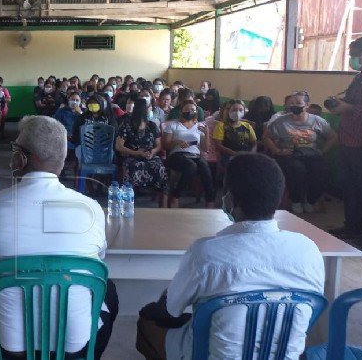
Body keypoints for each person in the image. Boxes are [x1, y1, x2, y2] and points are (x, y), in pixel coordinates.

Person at [136, 153, 325, 360]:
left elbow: (171, 311)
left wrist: (164, 298)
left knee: (147, 321)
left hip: (210, 355)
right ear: (278, 196)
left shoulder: (207, 253)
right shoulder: (309, 250)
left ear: (230, 199)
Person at [0, 115, 118, 360]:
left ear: (21, 157)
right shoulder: (90, 209)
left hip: (9, 347)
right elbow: (97, 259)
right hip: (74, 345)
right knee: (106, 287)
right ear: (62, 158)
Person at [328, 36, 362, 247]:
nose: (352, 59)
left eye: (355, 56)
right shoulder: (361, 77)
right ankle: (352, 227)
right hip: (349, 140)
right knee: (351, 188)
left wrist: (349, 108)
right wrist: (341, 104)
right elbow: (355, 102)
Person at [265, 92, 337, 214]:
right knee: (297, 170)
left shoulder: (317, 121)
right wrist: (276, 151)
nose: (294, 105)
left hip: (312, 154)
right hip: (290, 155)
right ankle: (296, 201)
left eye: (298, 103)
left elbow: (333, 136)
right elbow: (266, 137)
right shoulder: (280, 122)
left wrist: (323, 151)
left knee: (321, 170)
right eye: (292, 103)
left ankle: (310, 200)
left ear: (307, 105)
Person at [116, 98, 168, 207]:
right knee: (135, 166)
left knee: (160, 168)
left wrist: (152, 152)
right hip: (132, 156)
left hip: (149, 156)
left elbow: (158, 145)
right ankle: (128, 202)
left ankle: (163, 206)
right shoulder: (127, 125)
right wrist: (136, 153)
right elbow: (119, 146)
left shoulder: (152, 126)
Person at [162, 100, 215, 208]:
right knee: (191, 166)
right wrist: (176, 142)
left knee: (204, 166)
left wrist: (207, 133)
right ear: (181, 111)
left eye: (193, 110)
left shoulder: (200, 126)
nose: (190, 111)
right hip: (177, 155)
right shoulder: (173, 124)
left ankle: (210, 200)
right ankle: (175, 196)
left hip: (194, 155)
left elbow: (205, 148)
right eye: (187, 109)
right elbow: (166, 145)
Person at [213, 100, 257, 165]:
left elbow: (254, 144)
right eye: (234, 110)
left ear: (244, 112)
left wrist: (251, 154)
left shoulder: (247, 125)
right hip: (229, 155)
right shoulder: (221, 126)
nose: (237, 112)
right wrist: (235, 154)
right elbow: (219, 145)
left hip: (247, 155)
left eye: (240, 110)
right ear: (229, 111)